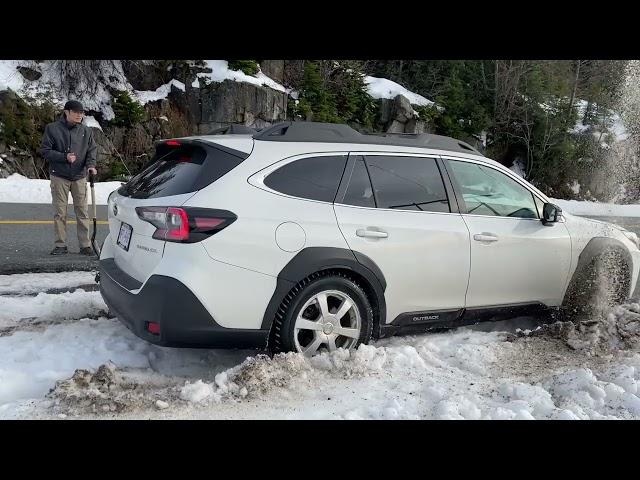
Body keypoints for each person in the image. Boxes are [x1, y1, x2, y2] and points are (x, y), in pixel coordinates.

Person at [40, 100, 98, 255]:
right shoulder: (52, 129)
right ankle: (60, 245)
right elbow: (45, 151)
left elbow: (92, 150)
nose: (80, 115)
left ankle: (85, 245)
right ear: (67, 112)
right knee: (60, 212)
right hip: (59, 176)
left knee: (82, 212)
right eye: (76, 112)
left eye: (82, 112)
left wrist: (91, 165)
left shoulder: (86, 131)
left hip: (79, 176)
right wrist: (64, 157)